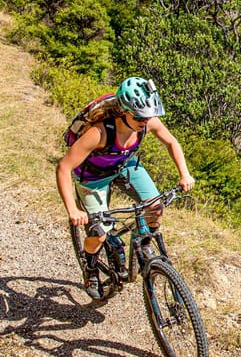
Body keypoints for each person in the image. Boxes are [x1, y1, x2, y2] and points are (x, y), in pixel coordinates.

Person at [55, 76, 195, 299]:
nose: (145, 122)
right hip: (93, 177)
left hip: (124, 165)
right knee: (99, 234)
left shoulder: (146, 122)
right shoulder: (99, 133)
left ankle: (145, 244)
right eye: (139, 116)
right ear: (123, 110)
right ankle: (90, 266)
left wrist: (184, 173)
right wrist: (73, 210)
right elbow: (63, 167)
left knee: (155, 207)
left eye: (148, 116)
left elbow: (171, 141)